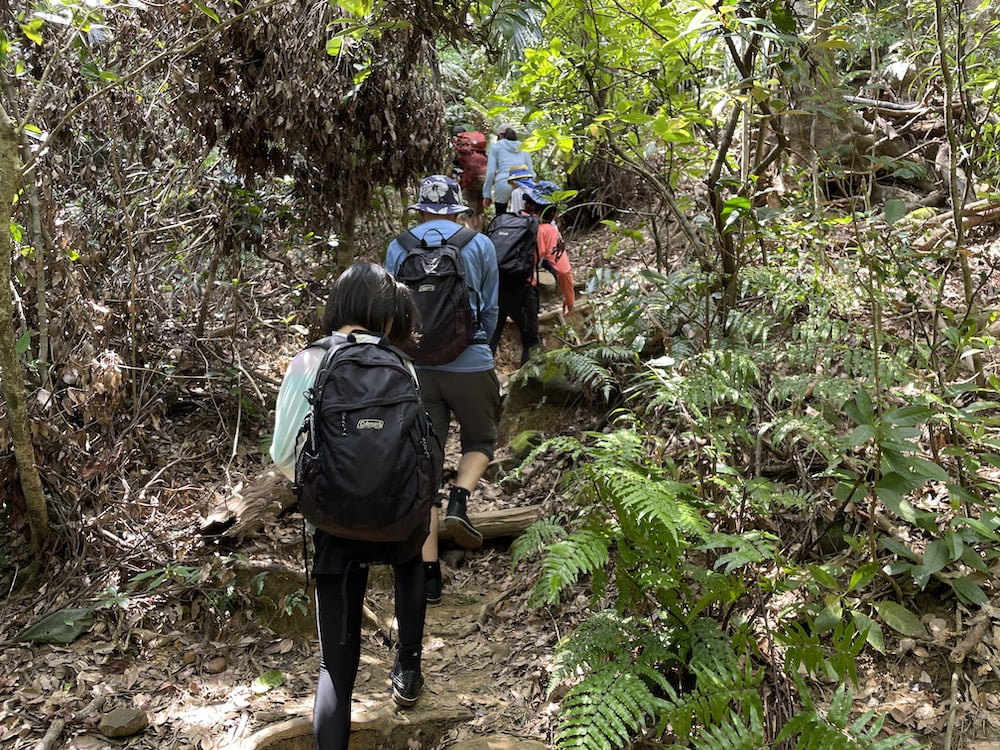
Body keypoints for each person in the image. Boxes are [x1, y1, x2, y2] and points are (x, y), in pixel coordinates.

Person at [270, 263, 430, 749]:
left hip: (335, 522)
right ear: (385, 311)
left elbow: (281, 456)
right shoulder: (402, 365)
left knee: (334, 668)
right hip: (398, 515)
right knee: (411, 554)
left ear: (337, 305)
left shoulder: (307, 362)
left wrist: (328, 483)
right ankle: (409, 663)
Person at [386, 175, 501, 604]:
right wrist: (479, 349)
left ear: (419, 211)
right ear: (457, 209)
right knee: (481, 439)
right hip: (470, 361)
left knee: (424, 465)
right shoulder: (478, 244)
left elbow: (391, 312)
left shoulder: (398, 247)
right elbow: (489, 309)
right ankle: (459, 501)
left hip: (416, 368)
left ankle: (429, 578)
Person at [489, 180, 575, 365]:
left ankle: (481, 386)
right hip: (522, 292)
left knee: (490, 341)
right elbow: (564, 271)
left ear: (527, 204)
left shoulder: (506, 221)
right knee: (531, 341)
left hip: (494, 287)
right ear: (551, 211)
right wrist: (569, 300)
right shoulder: (548, 231)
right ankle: (526, 387)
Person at [482, 125, 535, 217]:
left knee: (500, 216)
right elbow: (530, 171)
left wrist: (487, 195)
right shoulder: (523, 146)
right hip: (522, 183)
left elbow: (490, 172)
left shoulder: (496, 147)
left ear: (501, 135)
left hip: (503, 182)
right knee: (521, 216)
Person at [451, 128, 488, 231]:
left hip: (472, 181)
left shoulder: (459, 148)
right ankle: (479, 234)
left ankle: (471, 236)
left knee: (469, 211)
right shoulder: (475, 147)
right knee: (478, 212)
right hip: (484, 179)